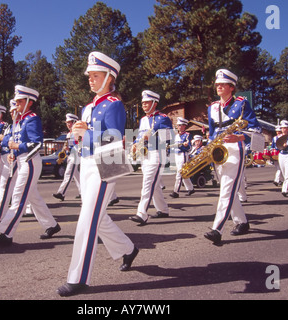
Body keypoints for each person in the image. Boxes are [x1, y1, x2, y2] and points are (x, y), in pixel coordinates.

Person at [57, 52, 138, 297]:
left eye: (96, 75)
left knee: (87, 220)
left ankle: (79, 278)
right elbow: (82, 137)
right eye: (90, 76)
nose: (91, 80)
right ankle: (127, 249)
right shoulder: (89, 106)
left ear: (109, 77)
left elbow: (115, 137)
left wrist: (86, 134)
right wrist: (76, 137)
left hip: (107, 162)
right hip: (88, 162)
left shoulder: (114, 104)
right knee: (97, 217)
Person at [0, 85, 60, 245]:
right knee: (34, 197)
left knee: (18, 197)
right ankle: (52, 225)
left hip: (30, 161)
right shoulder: (22, 120)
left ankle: (6, 233)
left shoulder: (32, 119)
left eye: (19, 101)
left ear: (29, 102)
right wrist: (14, 152)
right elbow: (17, 141)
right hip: (22, 161)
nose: (16, 104)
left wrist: (16, 147)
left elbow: (36, 144)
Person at [204, 69, 261, 245]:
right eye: (217, 84)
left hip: (235, 148)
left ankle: (217, 229)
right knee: (228, 190)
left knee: (227, 190)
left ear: (232, 87)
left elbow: (256, 130)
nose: (218, 86)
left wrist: (239, 136)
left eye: (223, 84)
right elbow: (212, 133)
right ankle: (242, 222)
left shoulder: (242, 104)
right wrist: (207, 150)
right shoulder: (212, 107)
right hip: (219, 151)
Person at [129, 90, 172, 225]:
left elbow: (168, 138)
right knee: (154, 184)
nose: (144, 105)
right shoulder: (143, 120)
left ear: (154, 103)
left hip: (157, 154)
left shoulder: (162, 118)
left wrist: (153, 136)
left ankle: (142, 213)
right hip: (145, 155)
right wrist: (135, 144)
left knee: (148, 183)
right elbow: (141, 136)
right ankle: (163, 210)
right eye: (142, 103)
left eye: (147, 102)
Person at [53, 113, 81, 201]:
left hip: (75, 156)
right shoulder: (69, 133)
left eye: (69, 122)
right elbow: (67, 145)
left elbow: (80, 145)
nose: (68, 124)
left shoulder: (78, 132)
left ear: (74, 122)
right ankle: (82, 192)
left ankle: (61, 193)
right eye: (67, 123)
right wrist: (63, 153)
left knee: (68, 174)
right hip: (71, 156)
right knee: (77, 176)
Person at [277, 120, 288, 197]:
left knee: (287, 173)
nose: (283, 129)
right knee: (284, 173)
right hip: (281, 155)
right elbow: (275, 146)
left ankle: (284, 189)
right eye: (282, 128)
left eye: (285, 128)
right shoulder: (278, 137)